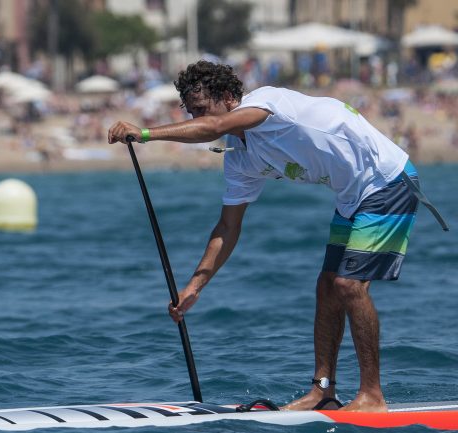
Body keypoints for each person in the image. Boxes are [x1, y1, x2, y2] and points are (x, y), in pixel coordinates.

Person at [107, 60, 426, 412]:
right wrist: (195, 286)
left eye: (201, 110)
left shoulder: (268, 103)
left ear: (229, 97)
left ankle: (371, 396)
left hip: (387, 179)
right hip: (353, 195)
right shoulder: (240, 157)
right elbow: (228, 227)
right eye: (191, 111)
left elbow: (213, 126)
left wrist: (147, 134)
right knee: (327, 286)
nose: (197, 118)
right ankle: (323, 389)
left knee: (349, 285)